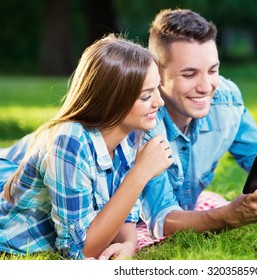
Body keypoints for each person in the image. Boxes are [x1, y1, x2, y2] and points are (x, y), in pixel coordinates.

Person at [0, 33, 172, 260]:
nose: (160, 102)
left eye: (157, 89)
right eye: (146, 96)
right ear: (112, 100)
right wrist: (141, 172)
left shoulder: (132, 134)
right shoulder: (69, 141)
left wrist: (129, 244)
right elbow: (79, 250)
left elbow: (126, 217)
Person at [139, 8, 257, 239]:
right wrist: (229, 215)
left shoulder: (225, 100)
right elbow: (162, 220)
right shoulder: (144, 118)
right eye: (189, 74)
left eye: (213, 70)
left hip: (188, 209)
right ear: (157, 73)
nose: (206, 87)